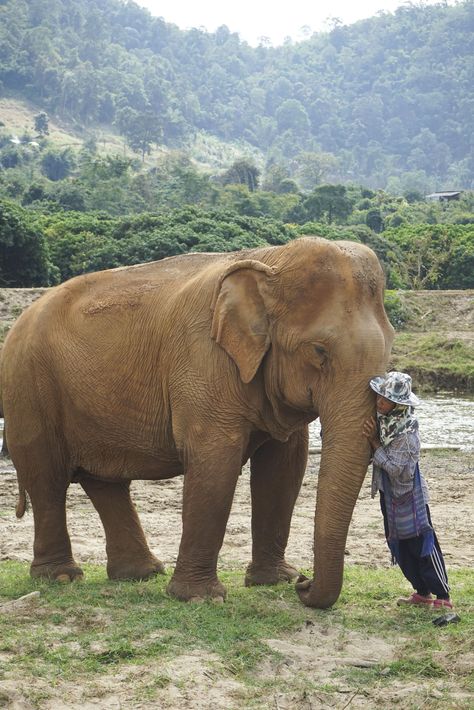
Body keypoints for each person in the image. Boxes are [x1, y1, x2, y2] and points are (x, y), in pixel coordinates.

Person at [362, 371, 452, 609]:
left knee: (422, 543)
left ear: (399, 405)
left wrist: (374, 444)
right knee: (399, 543)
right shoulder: (384, 422)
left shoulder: (407, 434)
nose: (380, 402)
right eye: (379, 396)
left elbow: (395, 469)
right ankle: (422, 592)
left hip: (410, 496)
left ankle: (442, 595)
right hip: (389, 494)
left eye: (386, 399)